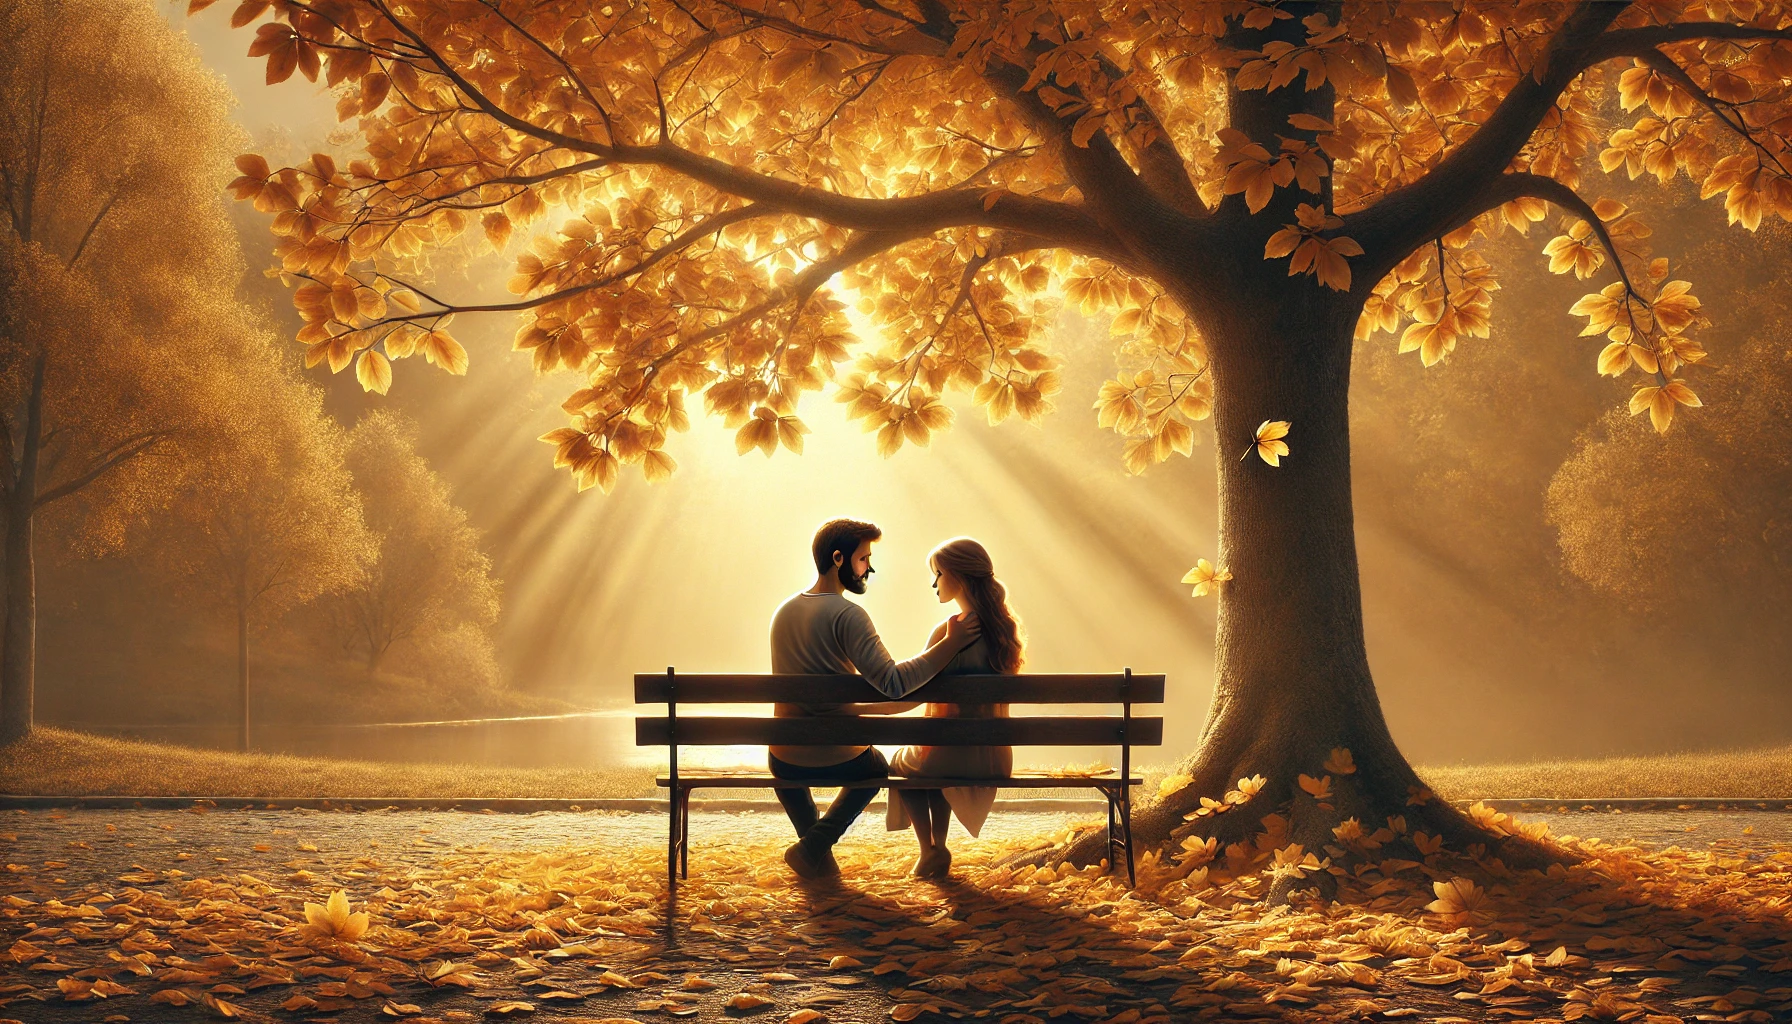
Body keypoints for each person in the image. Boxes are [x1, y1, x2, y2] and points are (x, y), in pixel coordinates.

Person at [769, 518, 979, 881]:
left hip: (783, 759)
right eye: (864, 558)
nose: (870, 567)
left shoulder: (784, 612)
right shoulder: (848, 615)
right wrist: (951, 644)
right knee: (876, 767)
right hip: (837, 757)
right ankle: (814, 847)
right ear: (838, 558)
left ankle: (817, 858)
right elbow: (893, 683)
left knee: (792, 770)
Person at [884, 538, 1024, 879]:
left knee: (902, 766)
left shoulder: (949, 633)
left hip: (952, 755)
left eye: (938, 574)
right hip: (994, 758)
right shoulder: (1005, 632)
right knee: (933, 759)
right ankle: (939, 846)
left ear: (958, 577)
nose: (934, 584)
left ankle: (929, 848)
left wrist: (865, 709)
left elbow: (914, 694)